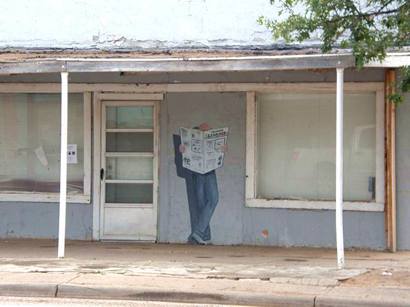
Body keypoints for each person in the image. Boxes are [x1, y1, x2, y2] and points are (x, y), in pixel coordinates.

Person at [179, 123, 226, 245]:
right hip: (197, 172)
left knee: (213, 199)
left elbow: (220, 151)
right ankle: (205, 236)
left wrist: (222, 149)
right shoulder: (189, 140)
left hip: (210, 170)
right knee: (202, 203)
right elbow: (184, 153)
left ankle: (199, 233)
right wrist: (182, 150)